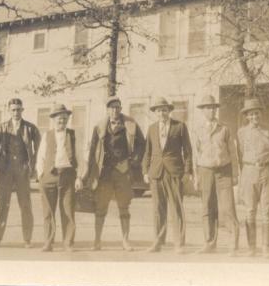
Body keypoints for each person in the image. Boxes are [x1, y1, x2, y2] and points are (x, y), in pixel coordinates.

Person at [79, 96, 146, 251]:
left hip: (123, 173)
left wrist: (133, 161)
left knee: (124, 207)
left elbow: (141, 145)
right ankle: (97, 240)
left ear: (121, 109)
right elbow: (92, 151)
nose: (114, 110)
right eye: (111, 107)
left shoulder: (131, 125)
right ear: (107, 110)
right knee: (100, 207)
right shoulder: (99, 127)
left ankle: (125, 241)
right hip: (105, 174)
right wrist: (87, 174)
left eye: (117, 107)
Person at [0, 97, 41, 248]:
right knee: (1, 206)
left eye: (18, 109)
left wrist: (32, 165)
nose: (16, 112)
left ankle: (27, 239)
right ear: (9, 111)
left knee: (25, 206)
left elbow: (40, 148)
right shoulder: (1, 128)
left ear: (22, 110)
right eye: (13, 110)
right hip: (6, 173)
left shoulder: (30, 128)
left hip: (22, 173)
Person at [143, 97, 193, 254]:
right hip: (156, 173)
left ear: (169, 111)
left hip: (174, 172)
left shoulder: (180, 126)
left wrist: (187, 172)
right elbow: (147, 152)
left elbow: (188, 151)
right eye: (158, 110)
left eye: (164, 110)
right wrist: (145, 171)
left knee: (176, 208)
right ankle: (158, 241)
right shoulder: (151, 128)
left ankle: (179, 243)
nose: (161, 113)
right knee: (158, 208)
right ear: (155, 113)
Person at [192, 95, 239, 256]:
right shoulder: (197, 130)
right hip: (205, 171)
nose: (211, 110)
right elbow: (195, 155)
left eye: (213, 107)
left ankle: (233, 244)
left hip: (223, 170)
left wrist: (235, 174)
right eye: (207, 107)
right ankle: (209, 242)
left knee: (228, 207)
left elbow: (232, 152)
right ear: (202, 111)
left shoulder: (224, 128)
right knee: (207, 207)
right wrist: (196, 176)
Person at [236, 98, 269, 257]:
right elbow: (241, 152)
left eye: (257, 113)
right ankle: (251, 247)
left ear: (261, 114)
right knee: (250, 211)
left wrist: (267, 165)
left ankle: (265, 247)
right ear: (247, 116)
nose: (255, 116)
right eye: (251, 114)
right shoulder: (241, 132)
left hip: (266, 172)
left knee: (266, 211)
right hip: (249, 172)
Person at [36, 103, 78, 252]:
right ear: (53, 120)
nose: (62, 121)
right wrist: (41, 175)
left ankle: (68, 243)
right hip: (49, 176)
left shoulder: (72, 135)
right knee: (48, 211)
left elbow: (78, 156)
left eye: (65, 119)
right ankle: (48, 242)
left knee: (67, 210)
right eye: (59, 119)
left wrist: (78, 176)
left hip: (67, 176)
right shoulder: (47, 135)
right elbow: (40, 156)